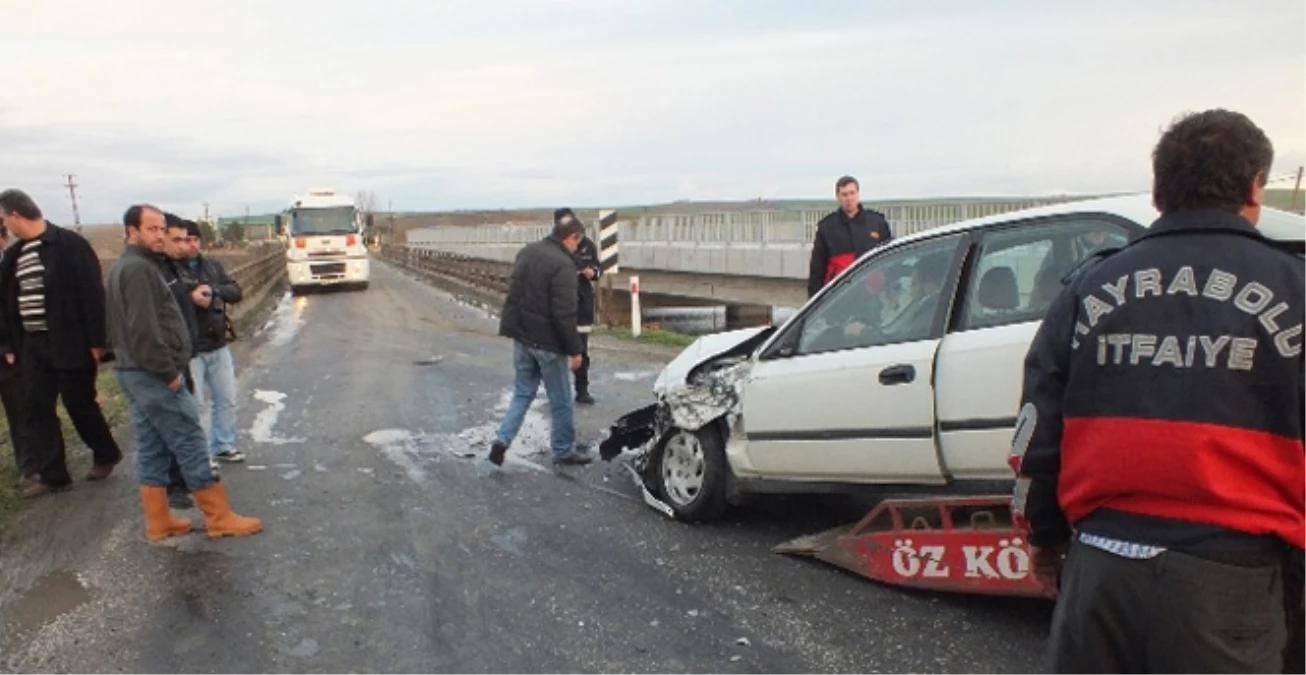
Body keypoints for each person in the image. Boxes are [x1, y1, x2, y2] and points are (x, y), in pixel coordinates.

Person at [1011, 109, 1305, 674]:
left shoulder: (1090, 286)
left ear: (1157, 191)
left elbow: (1037, 430)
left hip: (1099, 570)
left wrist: (1044, 538)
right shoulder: (1294, 288)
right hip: (1230, 579)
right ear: (1254, 186)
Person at [107, 204, 261, 542]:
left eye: (162, 228)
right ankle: (219, 517)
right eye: (152, 229)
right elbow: (144, 330)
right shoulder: (139, 271)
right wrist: (169, 373)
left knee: (152, 446)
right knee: (190, 439)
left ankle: (158, 521)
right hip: (153, 373)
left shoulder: (130, 267)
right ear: (132, 231)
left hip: (135, 370)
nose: (160, 235)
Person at [0, 188, 122, 498]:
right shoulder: (14, 256)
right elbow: (4, 305)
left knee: (78, 402)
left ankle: (106, 453)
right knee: (36, 407)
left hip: (70, 342)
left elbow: (92, 295)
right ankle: (54, 475)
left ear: (15, 215)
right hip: (32, 345)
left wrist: (98, 342)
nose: (4, 226)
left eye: (4, 219)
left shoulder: (69, 245)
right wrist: (10, 345)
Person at [487, 213, 590, 467]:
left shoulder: (528, 252)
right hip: (548, 344)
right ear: (571, 237)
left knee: (522, 394)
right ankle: (564, 450)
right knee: (561, 400)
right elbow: (564, 314)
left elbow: (515, 295)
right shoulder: (564, 266)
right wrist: (576, 350)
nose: (577, 248)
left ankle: (502, 440)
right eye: (578, 242)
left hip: (523, 338)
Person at [178, 218, 244, 464]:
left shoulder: (212, 267)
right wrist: (190, 296)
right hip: (191, 349)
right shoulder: (172, 269)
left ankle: (223, 445)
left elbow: (235, 291)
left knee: (226, 398)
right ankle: (200, 455)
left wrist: (213, 291)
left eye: (195, 239)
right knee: (194, 405)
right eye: (185, 240)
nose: (191, 245)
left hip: (217, 343)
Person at [807, 175, 892, 298]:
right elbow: (817, 269)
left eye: (852, 193)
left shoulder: (877, 223)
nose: (849, 198)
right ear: (838, 197)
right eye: (844, 194)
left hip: (873, 294)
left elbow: (889, 259)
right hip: (839, 296)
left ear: (858, 194)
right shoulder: (826, 227)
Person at [562, 208, 602, 405]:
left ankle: (582, 390)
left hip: (582, 304)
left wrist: (592, 272)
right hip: (561, 304)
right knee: (557, 352)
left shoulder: (588, 246)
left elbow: (598, 270)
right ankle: (557, 392)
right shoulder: (556, 247)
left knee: (582, 350)